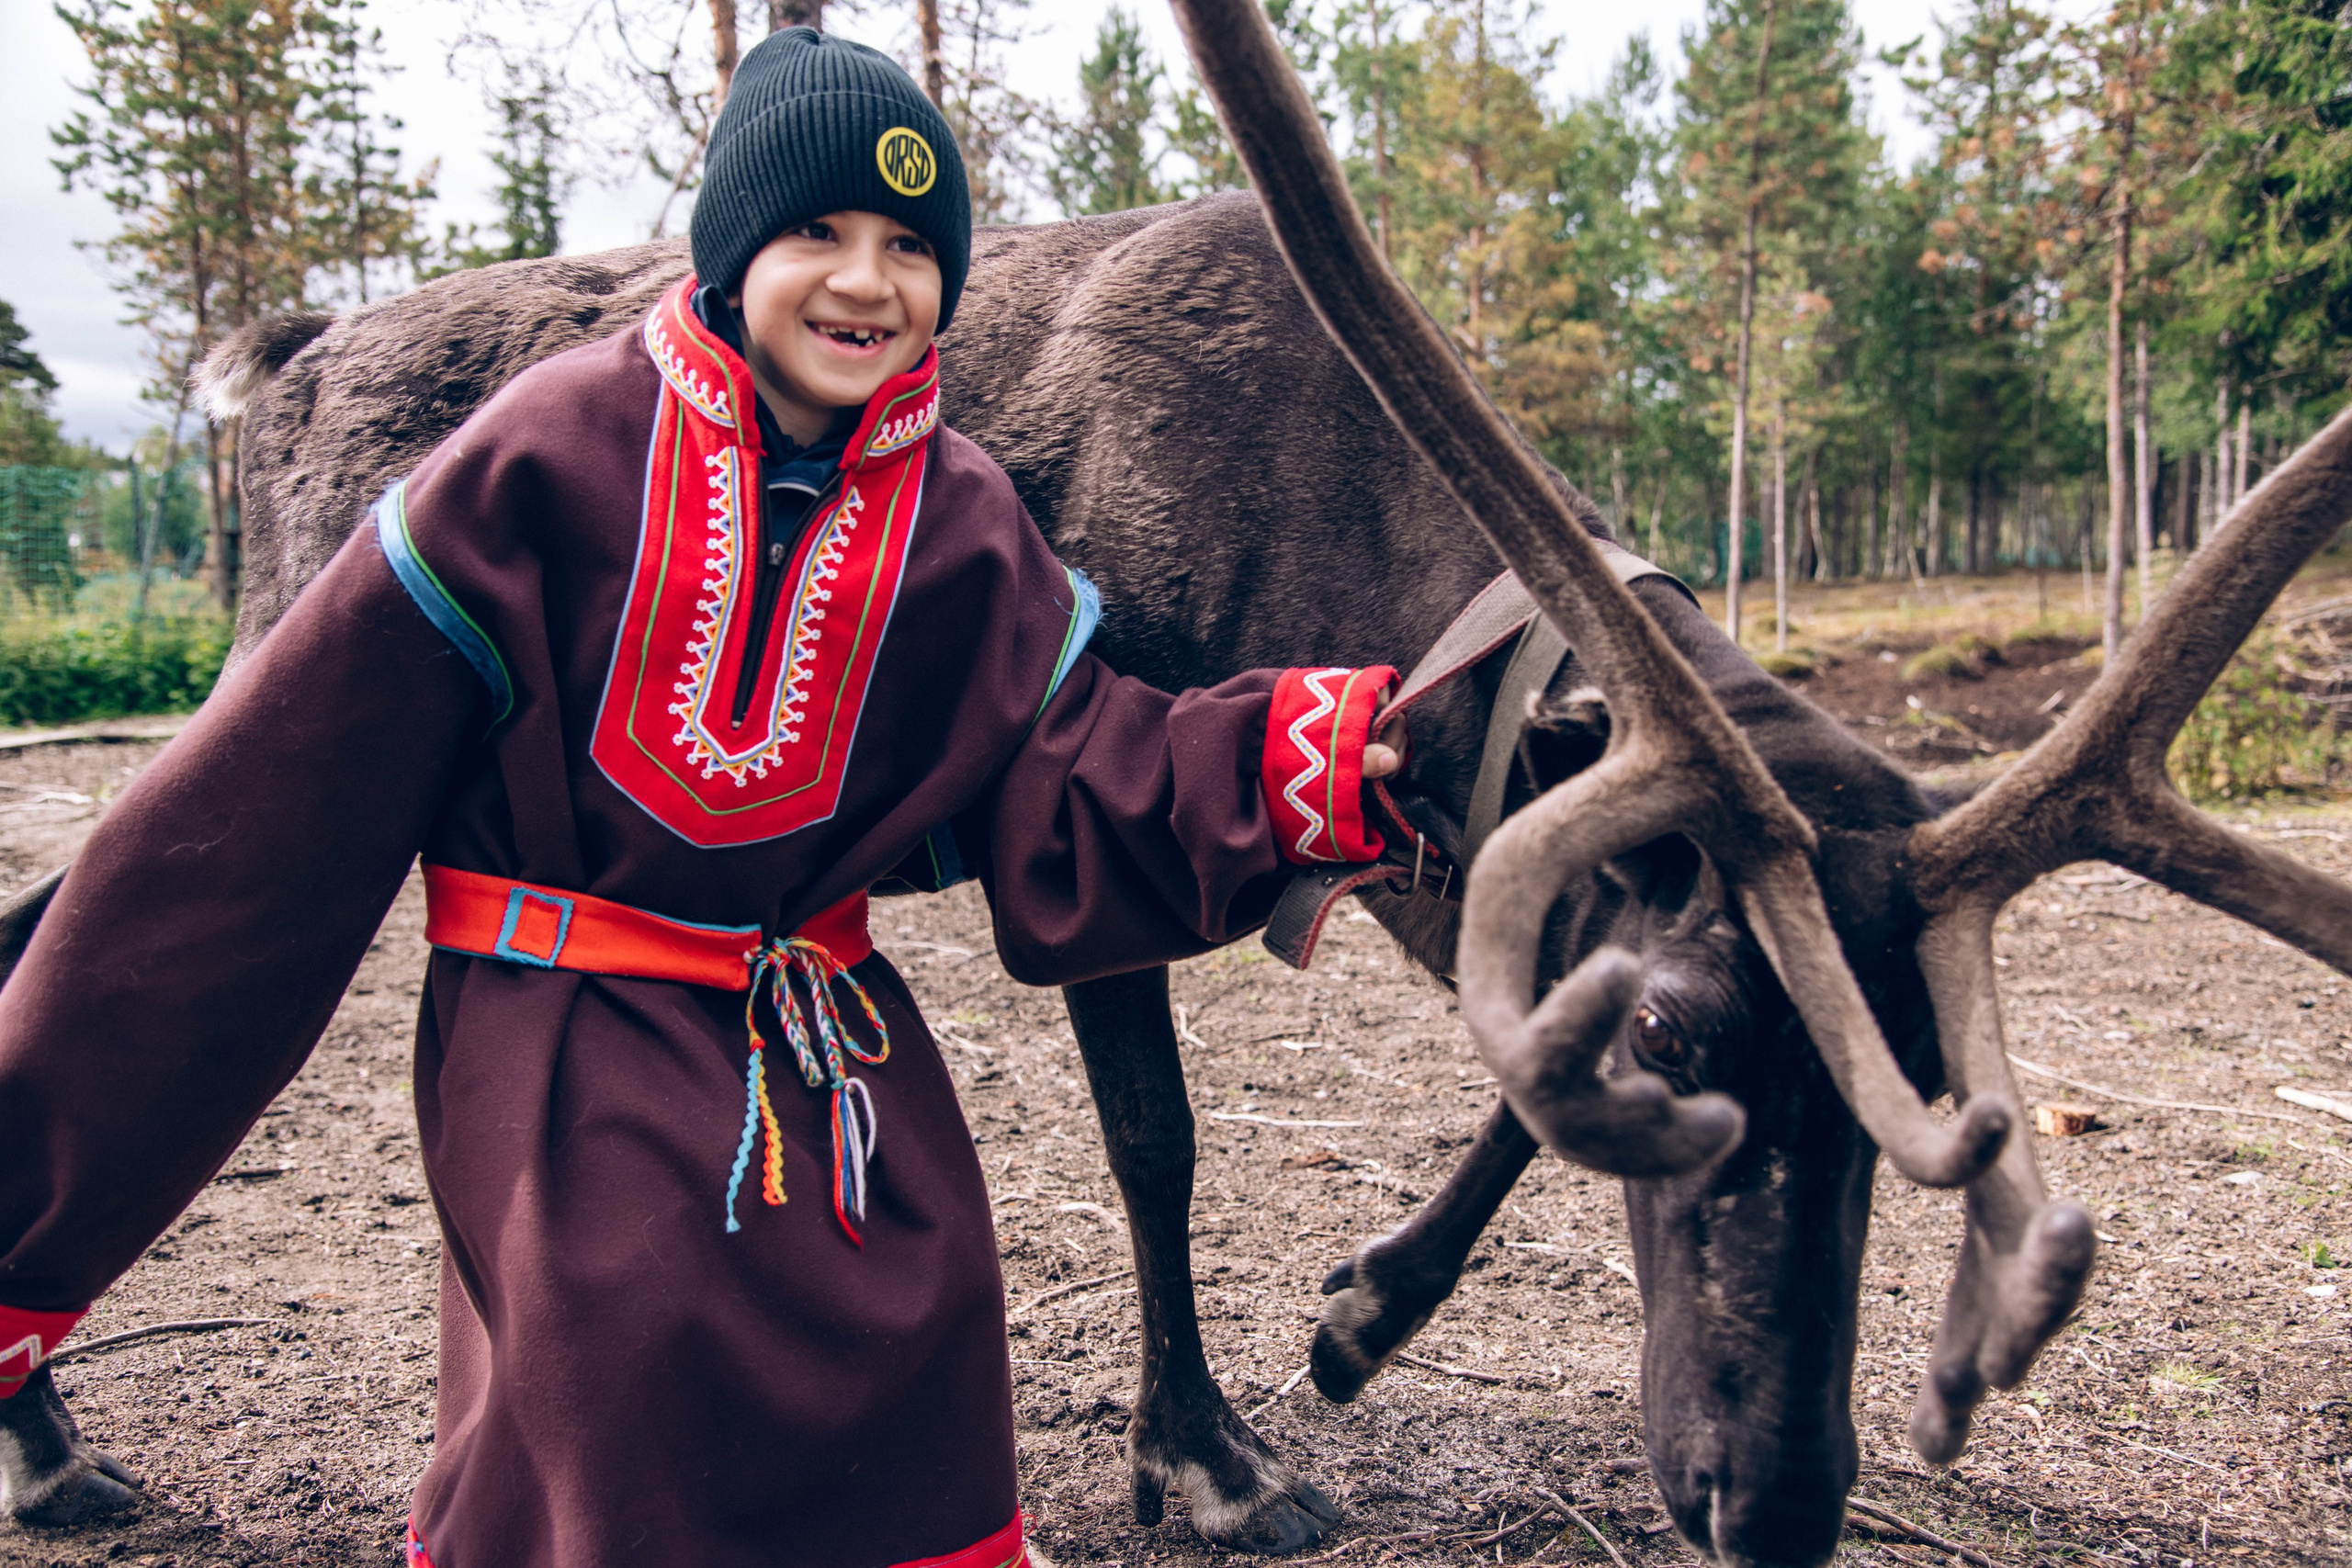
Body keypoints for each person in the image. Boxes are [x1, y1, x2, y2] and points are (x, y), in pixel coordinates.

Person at [0, 28, 1405, 1568]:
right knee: (626, 1328)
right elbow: (250, 842)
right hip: (565, 1056)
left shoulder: (964, 517)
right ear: (734, 252)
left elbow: (1069, 775)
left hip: (825, 1061)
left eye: (908, 249)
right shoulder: (542, 459)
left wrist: (1287, 766)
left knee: (925, 1316)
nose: (867, 283)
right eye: (817, 234)